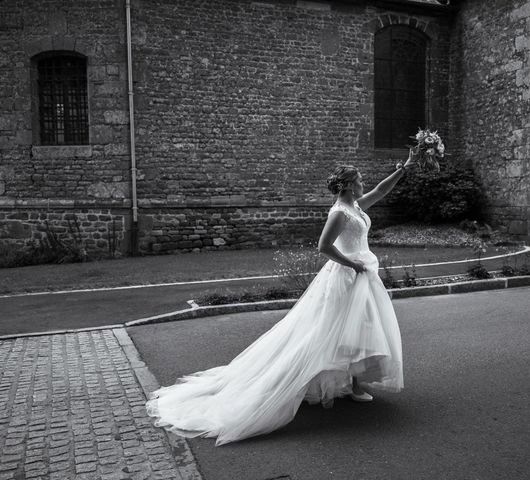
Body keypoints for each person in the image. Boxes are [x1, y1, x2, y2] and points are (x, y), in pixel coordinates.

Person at [146, 150, 417, 446]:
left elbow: (381, 190)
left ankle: (354, 383)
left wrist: (404, 168)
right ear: (350, 185)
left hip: (362, 276)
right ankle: (296, 381)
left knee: (360, 328)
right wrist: (353, 265)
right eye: (360, 179)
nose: (365, 182)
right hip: (347, 275)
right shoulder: (340, 212)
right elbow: (323, 246)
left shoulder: (356, 206)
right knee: (326, 331)